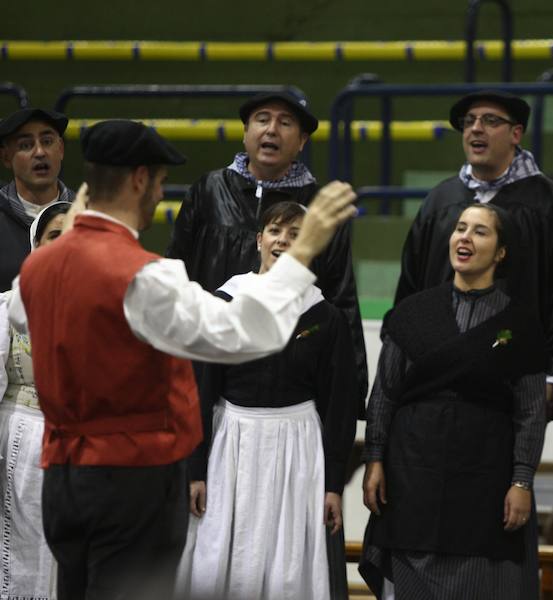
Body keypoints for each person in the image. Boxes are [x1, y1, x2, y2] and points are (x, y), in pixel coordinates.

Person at [8, 119, 357, 600]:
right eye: (157, 181)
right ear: (138, 180)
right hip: (130, 483)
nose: (159, 194)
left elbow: (22, 318)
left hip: (62, 478)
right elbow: (243, 333)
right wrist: (303, 253)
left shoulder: (37, 269)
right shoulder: (147, 277)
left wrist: (76, 234)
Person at [360, 203, 547, 600]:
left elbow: (531, 411)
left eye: (480, 232)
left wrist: (522, 480)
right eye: (460, 228)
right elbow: (385, 392)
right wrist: (374, 458)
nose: (464, 237)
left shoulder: (521, 324)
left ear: (501, 252)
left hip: (486, 479)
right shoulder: (412, 313)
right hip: (412, 475)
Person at [182, 201, 357, 600]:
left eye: (296, 234)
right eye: (276, 231)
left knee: (288, 564)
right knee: (219, 558)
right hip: (230, 445)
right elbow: (200, 390)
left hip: (298, 448)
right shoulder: (225, 302)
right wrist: (196, 470)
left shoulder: (325, 317)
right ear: (259, 239)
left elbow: (340, 407)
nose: (283, 240)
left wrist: (333, 485)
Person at [167, 91, 368, 412]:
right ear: (246, 132)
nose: (271, 130)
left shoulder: (319, 208)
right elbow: (178, 275)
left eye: (285, 123)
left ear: (302, 141)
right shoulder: (208, 191)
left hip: (290, 377)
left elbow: (340, 295)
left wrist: (352, 390)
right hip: (211, 363)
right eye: (262, 120)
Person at [393, 91, 553, 421]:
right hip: (434, 370)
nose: (476, 129)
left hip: (513, 371)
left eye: (490, 121)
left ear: (516, 134)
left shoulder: (549, 203)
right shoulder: (440, 200)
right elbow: (411, 283)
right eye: (469, 122)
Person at [0, 199, 71, 599]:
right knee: (23, 554)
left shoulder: (103, 312)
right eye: (54, 236)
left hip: (79, 448)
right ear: (36, 244)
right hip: (20, 441)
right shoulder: (8, 307)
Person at [0, 108, 75, 291]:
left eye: (47, 142)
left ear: (61, 149)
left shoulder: (86, 215)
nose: (40, 152)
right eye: (26, 145)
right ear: (6, 157)